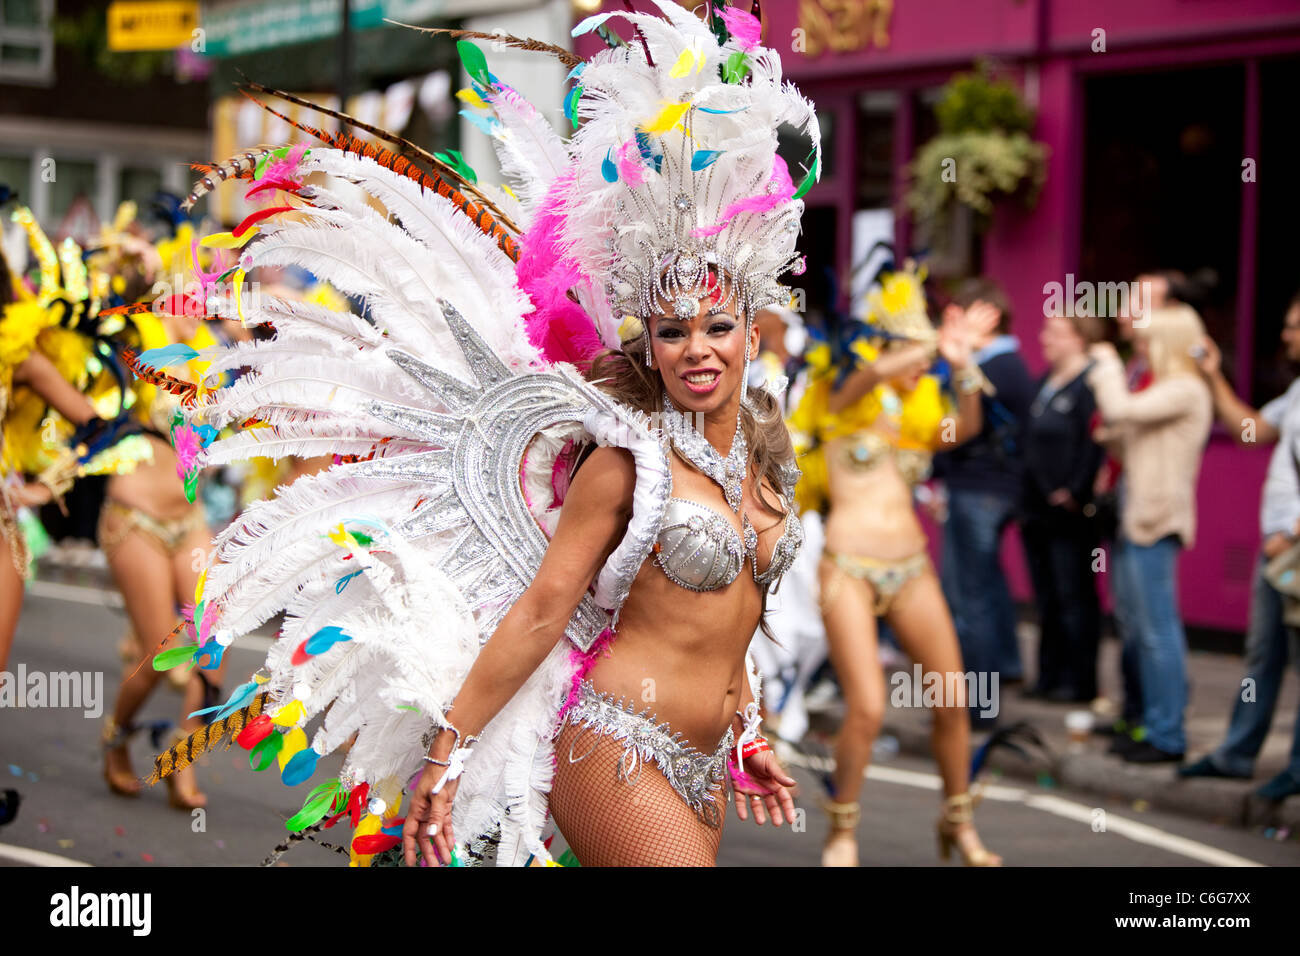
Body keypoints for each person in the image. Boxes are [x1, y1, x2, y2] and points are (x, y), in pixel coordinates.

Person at [142, 5, 819, 866]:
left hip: (707, 757)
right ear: (647, 341)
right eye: (674, 329)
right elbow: (542, 610)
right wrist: (448, 748)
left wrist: (749, 723)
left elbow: (732, 612)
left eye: (716, 326)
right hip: (616, 743)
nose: (697, 349)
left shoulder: (762, 457)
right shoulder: (627, 462)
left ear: (751, 331)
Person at [789, 266, 1001, 867]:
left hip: (911, 568)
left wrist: (960, 364)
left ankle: (958, 824)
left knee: (952, 700)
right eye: (912, 350)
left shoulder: (918, 412)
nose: (920, 364)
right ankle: (842, 832)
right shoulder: (838, 393)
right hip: (847, 569)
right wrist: (939, 341)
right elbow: (872, 374)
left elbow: (970, 425)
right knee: (868, 707)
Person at [1179, 293, 1300, 801]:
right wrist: (1214, 376)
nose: (1285, 334)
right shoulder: (1296, 392)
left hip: (1289, 546)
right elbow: (1251, 432)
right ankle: (1237, 752)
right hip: (1279, 553)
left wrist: (1291, 533)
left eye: (1295, 326)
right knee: (1262, 657)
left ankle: (1296, 769)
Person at [1087, 305, 1213, 762]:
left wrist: (1105, 365)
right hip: (1136, 518)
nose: (1139, 349)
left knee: (1158, 632)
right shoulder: (1167, 389)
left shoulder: (1186, 389)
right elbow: (1123, 426)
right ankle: (1145, 723)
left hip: (1156, 522)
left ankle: (1167, 735)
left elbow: (1119, 407)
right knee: (1136, 628)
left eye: (1145, 342)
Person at [934, 278, 1036, 696]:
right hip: (989, 489)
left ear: (985, 317)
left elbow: (958, 424)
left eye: (958, 313)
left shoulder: (995, 366)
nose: (949, 322)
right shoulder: (1004, 364)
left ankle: (978, 704)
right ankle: (1005, 668)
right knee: (988, 587)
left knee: (967, 598)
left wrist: (958, 360)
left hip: (978, 489)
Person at [1021, 311, 1105, 702]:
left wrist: (1074, 490)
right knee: (1047, 596)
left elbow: (1095, 442)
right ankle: (1049, 676)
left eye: (1055, 332)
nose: (1044, 338)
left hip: (1070, 514)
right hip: (1036, 508)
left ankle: (1080, 682)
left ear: (1079, 338)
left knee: (1075, 595)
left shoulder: (1091, 383)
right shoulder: (1045, 382)